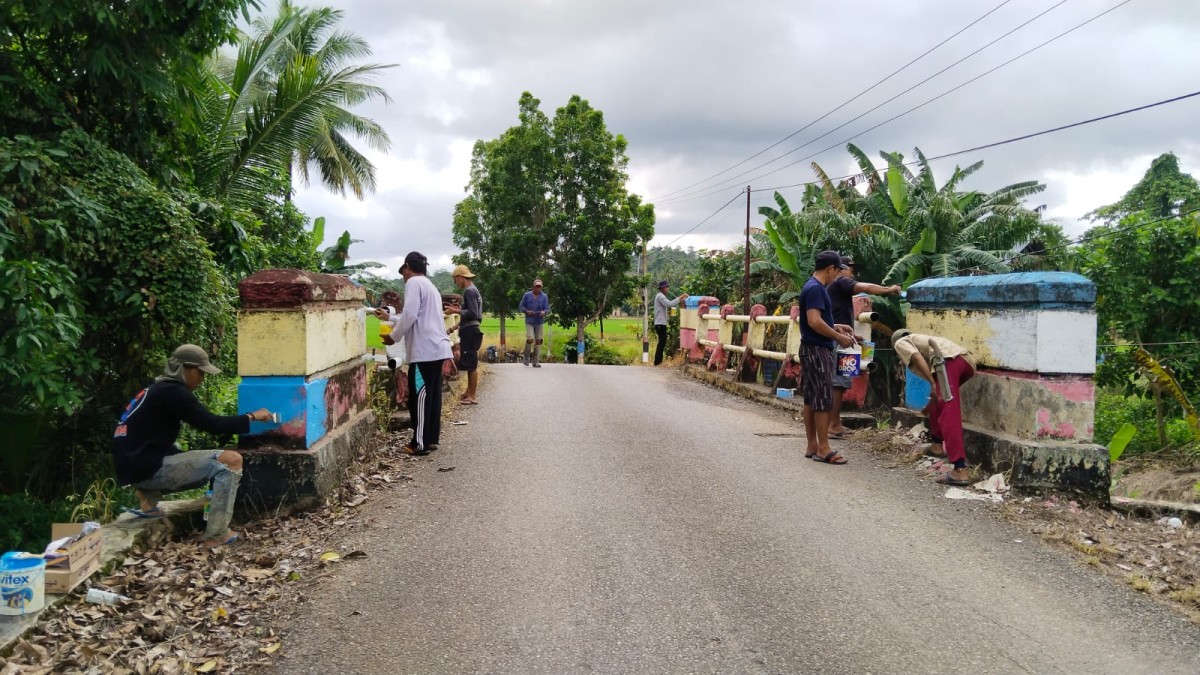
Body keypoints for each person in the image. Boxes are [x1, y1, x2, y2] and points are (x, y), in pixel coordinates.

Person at [111, 344, 273, 548]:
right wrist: (252, 416)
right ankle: (217, 535)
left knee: (186, 452)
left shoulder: (153, 390)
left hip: (134, 466)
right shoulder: (174, 392)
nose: (202, 379)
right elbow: (213, 425)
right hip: (146, 467)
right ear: (183, 369)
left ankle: (147, 495)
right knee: (230, 462)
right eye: (200, 372)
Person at [377, 252, 453, 455]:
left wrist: (393, 337)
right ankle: (430, 439)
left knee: (419, 396)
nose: (403, 276)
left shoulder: (413, 283)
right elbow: (417, 316)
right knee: (432, 395)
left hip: (424, 351)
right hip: (437, 349)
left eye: (403, 272)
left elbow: (410, 315)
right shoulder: (430, 286)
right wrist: (390, 318)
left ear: (408, 268)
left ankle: (419, 443)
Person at [826, 256, 902, 438]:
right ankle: (833, 425)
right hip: (840, 341)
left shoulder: (835, 288)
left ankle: (834, 422)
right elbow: (866, 288)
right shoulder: (841, 282)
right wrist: (889, 289)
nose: (853, 274)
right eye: (851, 269)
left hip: (843, 338)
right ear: (842, 268)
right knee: (839, 383)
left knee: (840, 383)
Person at [891, 329, 977, 486]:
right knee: (939, 402)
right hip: (965, 362)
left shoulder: (900, 342)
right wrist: (928, 406)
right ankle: (937, 445)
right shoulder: (921, 340)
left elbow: (916, 357)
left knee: (949, 414)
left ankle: (960, 469)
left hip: (947, 361)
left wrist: (932, 382)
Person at [799, 250, 856, 465]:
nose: (838, 275)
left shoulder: (811, 286)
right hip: (818, 349)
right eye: (838, 270)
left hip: (809, 347)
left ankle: (812, 444)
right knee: (823, 398)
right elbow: (814, 321)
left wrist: (836, 326)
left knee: (810, 397)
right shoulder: (816, 289)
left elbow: (816, 319)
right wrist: (837, 337)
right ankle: (824, 448)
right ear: (830, 268)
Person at [444, 264, 483, 404]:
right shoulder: (474, 290)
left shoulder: (469, 291)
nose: (456, 283)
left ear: (460, 277)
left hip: (470, 332)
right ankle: (468, 391)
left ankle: (472, 395)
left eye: (455, 280)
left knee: (471, 364)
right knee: (469, 360)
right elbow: (469, 317)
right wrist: (452, 328)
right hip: (471, 329)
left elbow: (472, 313)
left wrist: (454, 311)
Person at [653, 280, 688, 366]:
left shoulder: (660, 296)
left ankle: (658, 361)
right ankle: (657, 361)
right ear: (663, 288)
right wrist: (681, 297)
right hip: (660, 323)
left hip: (661, 323)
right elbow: (669, 304)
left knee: (662, 342)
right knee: (662, 342)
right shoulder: (660, 296)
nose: (668, 289)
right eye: (667, 287)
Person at [518, 278, 550, 368]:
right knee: (530, 338)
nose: (538, 288)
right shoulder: (527, 295)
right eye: (536, 286)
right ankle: (526, 357)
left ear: (541, 287)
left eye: (539, 287)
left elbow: (548, 308)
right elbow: (521, 306)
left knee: (539, 341)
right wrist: (527, 311)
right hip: (529, 321)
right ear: (533, 287)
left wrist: (544, 312)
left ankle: (535, 361)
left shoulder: (544, 296)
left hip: (539, 321)